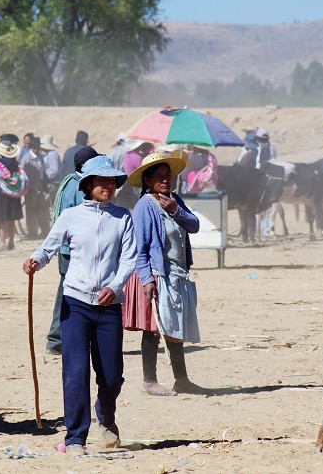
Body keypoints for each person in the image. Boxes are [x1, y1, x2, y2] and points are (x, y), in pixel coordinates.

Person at [22, 155, 136, 455]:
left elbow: (129, 259)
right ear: (88, 185)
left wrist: (115, 286)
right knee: (75, 371)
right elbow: (48, 247)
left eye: (112, 181)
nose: (108, 187)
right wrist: (36, 260)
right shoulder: (71, 216)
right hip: (75, 304)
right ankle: (75, 437)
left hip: (109, 305)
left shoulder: (123, 217)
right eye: (102, 182)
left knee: (111, 376)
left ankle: (106, 415)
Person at [123, 152, 201, 396]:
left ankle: (182, 379)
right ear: (147, 181)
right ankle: (150, 380)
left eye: (168, 176)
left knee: (174, 327)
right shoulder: (145, 206)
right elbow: (139, 247)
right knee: (154, 327)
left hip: (176, 273)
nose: (166, 181)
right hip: (157, 273)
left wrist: (177, 210)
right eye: (159, 177)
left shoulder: (174, 200)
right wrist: (146, 279)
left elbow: (195, 225)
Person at [45, 146, 99, 355]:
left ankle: (61, 339)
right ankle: (56, 339)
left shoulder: (70, 181)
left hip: (68, 249)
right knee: (68, 295)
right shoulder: (79, 187)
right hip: (72, 251)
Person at [0, 137, 27, 251]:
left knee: (2, 220)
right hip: (14, 195)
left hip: (2, 194)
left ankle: (2, 243)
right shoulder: (16, 164)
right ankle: (11, 243)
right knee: (12, 219)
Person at [19, 135, 51, 239]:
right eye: (34, 147)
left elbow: (43, 172)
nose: (36, 149)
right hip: (31, 190)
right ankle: (32, 234)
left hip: (40, 189)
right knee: (31, 213)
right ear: (31, 147)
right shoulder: (26, 158)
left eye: (37, 147)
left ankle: (45, 232)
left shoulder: (41, 157)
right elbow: (22, 174)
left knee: (42, 211)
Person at [254, 128, 276, 238]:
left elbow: (264, 165)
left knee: (265, 206)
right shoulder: (266, 148)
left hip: (264, 179)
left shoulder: (266, 149)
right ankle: (262, 230)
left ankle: (265, 231)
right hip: (265, 178)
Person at [40, 135, 63, 200]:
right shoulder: (46, 154)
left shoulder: (52, 154)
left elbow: (54, 170)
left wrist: (45, 177)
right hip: (50, 183)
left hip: (54, 184)